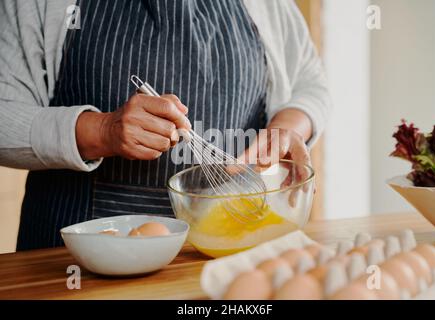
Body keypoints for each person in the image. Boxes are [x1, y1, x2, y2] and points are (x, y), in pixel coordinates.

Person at [0, 0, 331, 250]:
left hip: (234, 256)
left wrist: (288, 126)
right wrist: (102, 131)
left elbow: (309, 81)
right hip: (77, 263)